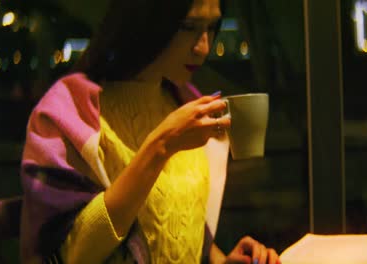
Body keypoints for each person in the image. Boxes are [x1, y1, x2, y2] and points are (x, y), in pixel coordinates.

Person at [19, 0, 281, 263]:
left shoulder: (184, 100)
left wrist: (221, 260)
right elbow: (69, 255)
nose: (203, 46)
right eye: (188, 27)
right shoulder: (69, 113)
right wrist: (160, 147)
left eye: (212, 27)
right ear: (145, 19)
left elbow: (173, 230)